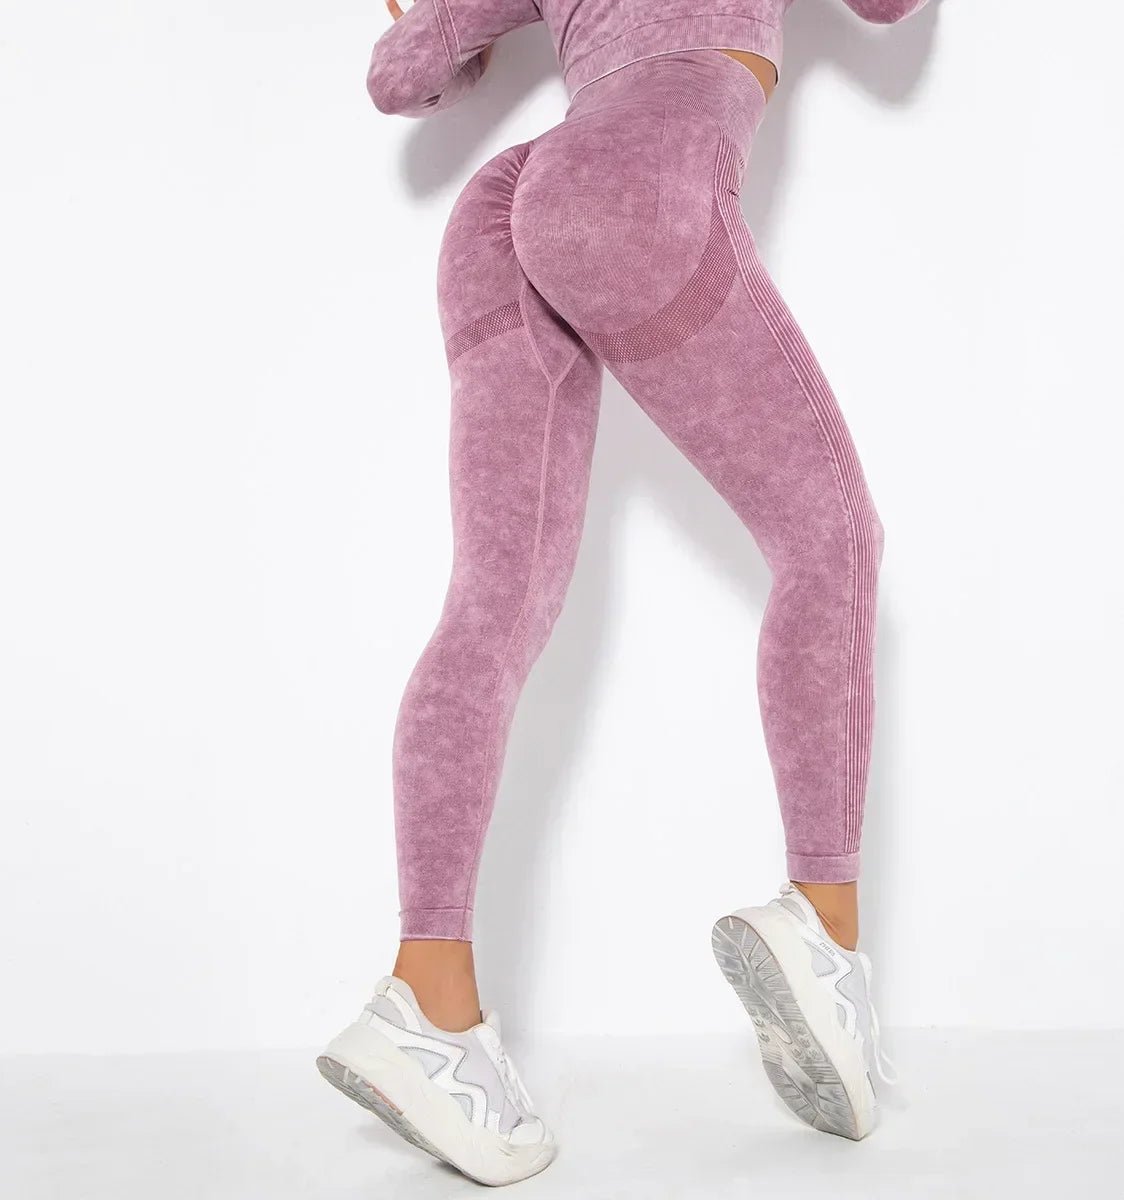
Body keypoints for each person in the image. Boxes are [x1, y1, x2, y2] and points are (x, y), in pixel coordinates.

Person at [317, 0, 930, 1184]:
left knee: (491, 604)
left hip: (507, 206)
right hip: (637, 176)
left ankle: (427, 1001)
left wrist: (438, 31)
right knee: (833, 540)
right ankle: (825, 928)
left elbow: (399, 73)